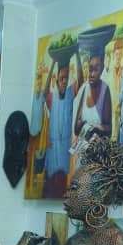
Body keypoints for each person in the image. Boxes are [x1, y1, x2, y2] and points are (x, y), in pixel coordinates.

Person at [37, 51, 83, 197]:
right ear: (57, 80)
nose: (64, 81)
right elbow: (44, 93)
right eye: (62, 78)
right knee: (49, 187)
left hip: (64, 150)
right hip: (52, 149)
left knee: (61, 187)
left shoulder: (70, 93)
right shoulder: (52, 96)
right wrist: (52, 64)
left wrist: (77, 55)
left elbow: (81, 81)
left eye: (66, 78)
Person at [73, 51, 113, 154]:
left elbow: (108, 129)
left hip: (96, 152)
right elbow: (76, 128)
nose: (92, 74)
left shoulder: (105, 90)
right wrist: (85, 126)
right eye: (90, 69)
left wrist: (94, 128)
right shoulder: (85, 89)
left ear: (102, 70)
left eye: (96, 70)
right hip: (82, 151)